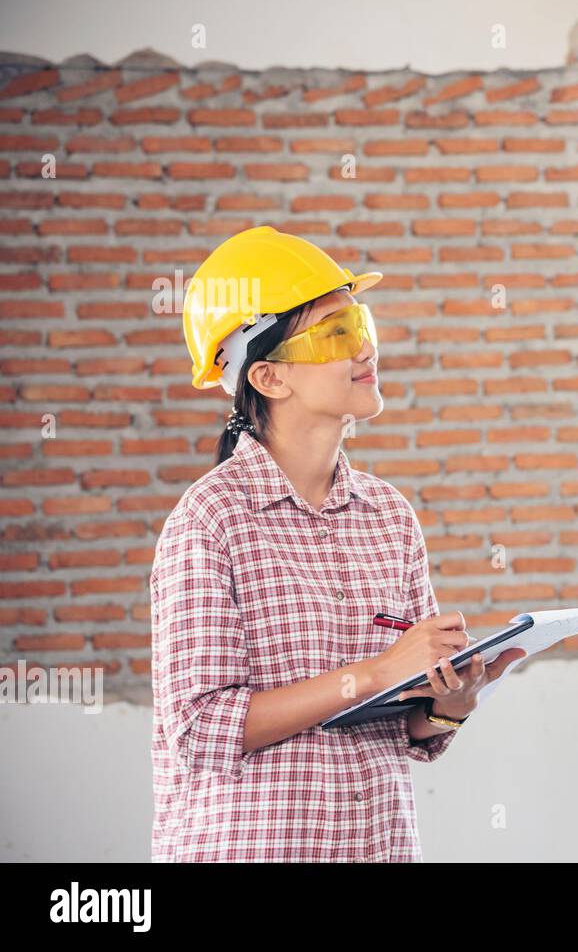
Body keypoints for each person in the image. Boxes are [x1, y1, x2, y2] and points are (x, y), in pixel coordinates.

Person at [149, 225, 524, 861]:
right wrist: (379, 670)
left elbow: (405, 725)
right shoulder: (210, 522)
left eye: (364, 327)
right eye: (337, 335)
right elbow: (200, 729)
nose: (365, 351)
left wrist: (449, 703)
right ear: (268, 377)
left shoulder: (388, 516)